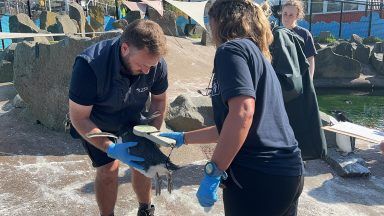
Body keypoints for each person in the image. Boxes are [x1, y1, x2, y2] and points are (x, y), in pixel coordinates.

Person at [160, 0, 304, 215]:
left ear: (220, 21)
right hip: (288, 173)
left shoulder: (231, 50)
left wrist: (213, 170)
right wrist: (183, 138)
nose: (210, 29)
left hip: (258, 177)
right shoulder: (258, 55)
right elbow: (233, 127)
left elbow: (242, 114)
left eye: (210, 22)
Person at [68, 19, 168, 216]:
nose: (148, 71)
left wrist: (153, 135)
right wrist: (110, 148)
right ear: (125, 48)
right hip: (96, 122)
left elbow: (158, 100)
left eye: (152, 66)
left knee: (142, 162)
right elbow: (78, 118)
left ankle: (146, 208)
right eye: (142, 65)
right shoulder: (89, 66)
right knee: (109, 170)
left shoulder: (155, 64)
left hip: (132, 117)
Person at [281, 0, 317, 79]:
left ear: (297, 16)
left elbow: (310, 59)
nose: (287, 18)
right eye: (285, 14)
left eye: (291, 15)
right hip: (281, 80)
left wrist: (309, 80)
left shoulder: (304, 34)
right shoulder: (277, 33)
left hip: (299, 79)